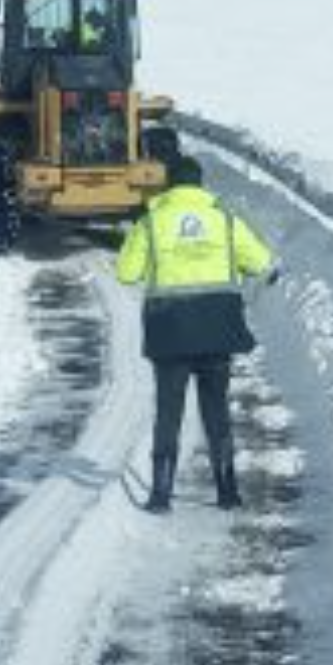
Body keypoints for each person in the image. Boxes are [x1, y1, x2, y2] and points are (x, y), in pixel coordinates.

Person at [115, 154, 276, 513]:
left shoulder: (152, 222)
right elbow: (262, 263)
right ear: (200, 185)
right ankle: (227, 491)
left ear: (169, 185)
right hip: (217, 328)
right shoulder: (224, 219)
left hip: (170, 331)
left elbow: (126, 273)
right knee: (216, 409)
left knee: (168, 411)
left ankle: (160, 495)